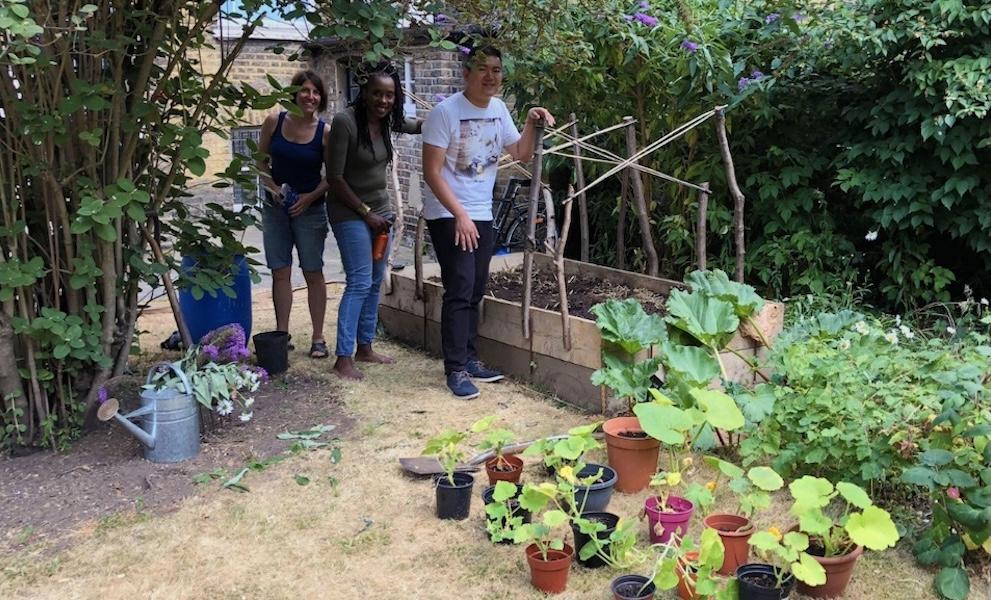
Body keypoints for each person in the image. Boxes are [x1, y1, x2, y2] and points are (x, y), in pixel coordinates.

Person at [421, 45, 555, 399]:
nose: (490, 76)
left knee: (477, 288)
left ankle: (469, 358)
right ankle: (455, 369)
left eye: (496, 69)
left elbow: (521, 153)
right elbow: (431, 173)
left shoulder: (498, 109)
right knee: (461, 287)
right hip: (449, 213)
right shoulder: (444, 113)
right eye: (482, 69)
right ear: (466, 73)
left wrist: (529, 121)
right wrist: (459, 215)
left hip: (481, 211)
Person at [326, 63, 422, 380]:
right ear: (365, 93)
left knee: (374, 280)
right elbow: (335, 179)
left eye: (390, 95)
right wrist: (366, 213)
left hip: (381, 213)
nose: (383, 100)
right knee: (359, 280)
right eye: (377, 93)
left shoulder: (388, 122)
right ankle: (343, 357)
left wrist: (450, 116)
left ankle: (365, 347)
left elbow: (418, 125)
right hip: (350, 212)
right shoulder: (345, 123)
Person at [257, 70, 331, 359]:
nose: (310, 96)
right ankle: (281, 333)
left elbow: (334, 175)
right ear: (294, 93)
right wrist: (274, 188)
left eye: (316, 92)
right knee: (280, 271)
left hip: (310, 210)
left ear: (321, 98)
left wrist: (309, 197)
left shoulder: (325, 132)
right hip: (276, 209)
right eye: (305, 90)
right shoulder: (274, 122)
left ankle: (318, 337)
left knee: (313, 271)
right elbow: (260, 162)